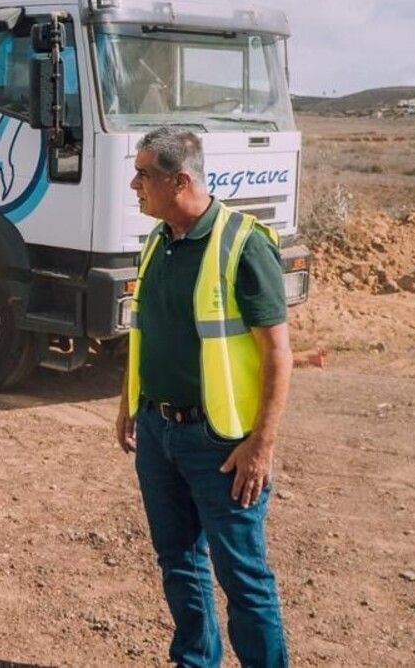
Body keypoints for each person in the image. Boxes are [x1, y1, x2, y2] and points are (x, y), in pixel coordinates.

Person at [115, 126, 292, 667]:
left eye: (145, 173)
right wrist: (129, 403)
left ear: (180, 180)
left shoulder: (243, 244)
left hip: (220, 445)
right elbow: (150, 330)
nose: (133, 183)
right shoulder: (157, 240)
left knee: (243, 579)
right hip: (157, 432)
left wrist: (260, 445)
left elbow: (278, 354)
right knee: (178, 564)